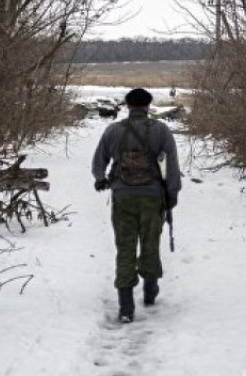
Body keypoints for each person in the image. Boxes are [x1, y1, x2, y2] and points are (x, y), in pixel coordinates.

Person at [92, 88, 181, 323]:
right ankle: (150, 292)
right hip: (153, 197)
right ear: (149, 105)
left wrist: (101, 179)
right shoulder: (161, 130)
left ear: (127, 105)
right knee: (150, 243)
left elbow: (98, 161)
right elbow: (171, 165)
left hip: (123, 197)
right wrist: (172, 194)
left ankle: (126, 307)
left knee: (125, 247)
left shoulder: (114, 130)